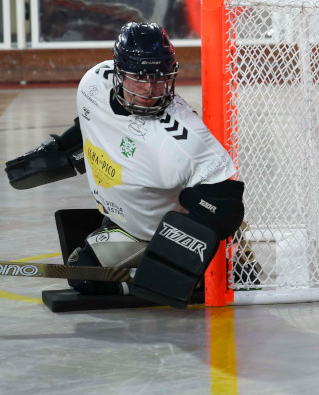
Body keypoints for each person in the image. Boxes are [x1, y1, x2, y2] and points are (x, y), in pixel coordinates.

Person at [5, 22, 243, 309]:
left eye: (159, 77)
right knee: (84, 267)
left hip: (150, 233)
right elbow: (92, 122)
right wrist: (61, 152)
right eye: (139, 76)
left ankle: (222, 269)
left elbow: (227, 207)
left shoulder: (186, 141)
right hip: (123, 216)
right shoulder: (94, 83)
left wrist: (176, 257)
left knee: (84, 276)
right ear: (118, 72)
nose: (149, 88)